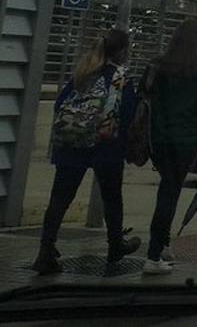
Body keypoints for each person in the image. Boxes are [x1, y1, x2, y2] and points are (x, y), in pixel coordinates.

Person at [30, 28, 142, 276]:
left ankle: (45, 250)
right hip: (106, 147)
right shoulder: (121, 78)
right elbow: (127, 114)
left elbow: (60, 104)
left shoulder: (83, 73)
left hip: (71, 144)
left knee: (59, 199)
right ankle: (115, 245)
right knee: (112, 198)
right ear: (122, 52)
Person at [144, 20, 197, 275]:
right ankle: (153, 255)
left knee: (167, 189)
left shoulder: (159, 67)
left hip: (158, 138)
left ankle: (164, 244)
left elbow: (146, 98)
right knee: (170, 193)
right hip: (186, 141)